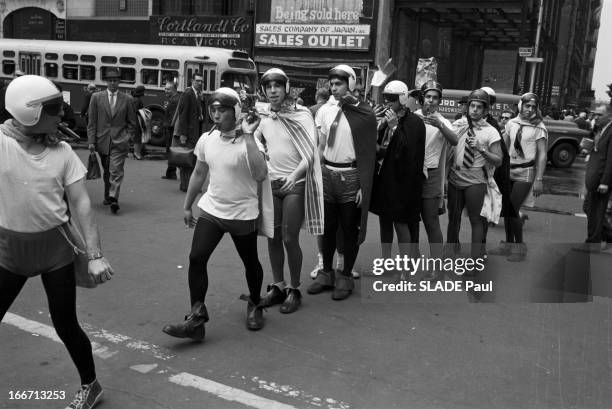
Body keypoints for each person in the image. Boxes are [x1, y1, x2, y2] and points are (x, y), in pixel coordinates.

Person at [0, 75, 114, 409]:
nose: (61, 115)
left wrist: (94, 254)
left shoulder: (63, 151)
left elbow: (80, 203)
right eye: (53, 109)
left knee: (65, 323)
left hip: (56, 250)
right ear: (28, 112)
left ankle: (90, 385)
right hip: (10, 251)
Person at [162, 88, 271, 340]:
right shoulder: (206, 139)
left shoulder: (250, 140)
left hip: (242, 214)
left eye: (222, 110)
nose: (216, 114)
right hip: (212, 210)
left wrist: (250, 136)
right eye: (213, 109)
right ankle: (196, 319)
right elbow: (199, 173)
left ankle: (255, 303)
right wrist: (188, 205)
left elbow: (260, 174)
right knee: (196, 258)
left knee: (250, 262)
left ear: (236, 112)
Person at [255, 68, 324, 314]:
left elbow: (311, 152)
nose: (273, 90)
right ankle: (278, 285)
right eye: (268, 86)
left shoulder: (302, 114)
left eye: (277, 85)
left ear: (286, 87)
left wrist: (293, 177)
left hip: (295, 184)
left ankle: (294, 288)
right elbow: (255, 142)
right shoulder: (262, 115)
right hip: (271, 183)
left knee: (288, 237)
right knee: (272, 237)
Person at [307, 65, 377, 300]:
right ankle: (326, 273)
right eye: (332, 84)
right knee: (327, 229)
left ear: (352, 83)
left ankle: (345, 276)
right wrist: (316, 173)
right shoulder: (325, 111)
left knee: (349, 229)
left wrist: (362, 185)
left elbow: (368, 153)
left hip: (351, 176)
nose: (333, 88)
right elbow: (321, 144)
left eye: (339, 84)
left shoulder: (365, 113)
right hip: (327, 174)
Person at [370, 80, 425, 271]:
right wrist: (381, 127)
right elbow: (377, 147)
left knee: (401, 223)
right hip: (383, 178)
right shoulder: (385, 120)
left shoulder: (415, 122)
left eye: (392, 100)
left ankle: (405, 267)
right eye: (386, 99)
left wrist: (394, 128)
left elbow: (407, 153)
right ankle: (385, 263)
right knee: (384, 221)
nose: (388, 103)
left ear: (402, 98)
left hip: (403, 181)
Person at [489, 93, 547, 261]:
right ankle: (508, 244)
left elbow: (542, 154)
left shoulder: (539, 127)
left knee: (513, 209)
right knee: (507, 210)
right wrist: (495, 168)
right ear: (521, 106)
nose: (530, 109)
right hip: (508, 171)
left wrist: (539, 179)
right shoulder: (512, 123)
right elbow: (503, 147)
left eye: (533, 107)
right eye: (527, 106)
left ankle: (519, 247)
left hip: (526, 172)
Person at [446, 89, 502, 260]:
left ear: (485, 111)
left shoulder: (491, 131)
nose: (475, 110)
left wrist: (481, 148)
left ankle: (475, 259)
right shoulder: (457, 126)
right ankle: (449, 254)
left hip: (476, 180)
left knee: (475, 220)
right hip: (455, 177)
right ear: (467, 107)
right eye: (472, 105)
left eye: (479, 107)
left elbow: (498, 160)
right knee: (453, 219)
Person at [413, 81, 459, 279]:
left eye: (435, 97)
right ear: (422, 98)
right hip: (411, 175)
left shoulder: (443, 121)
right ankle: (413, 261)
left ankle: (437, 268)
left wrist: (440, 125)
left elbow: (455, 140)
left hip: (431, 176)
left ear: (439, 101)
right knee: (410, 221)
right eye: (428, 97)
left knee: (431, 222)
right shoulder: (414, 117)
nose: (430, 101)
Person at [87, 68, 137, 215]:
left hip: (120, 141)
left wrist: (128, 138)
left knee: (116, 170)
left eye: (115, 80)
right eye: (110, 80)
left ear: (119, 82)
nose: (113, 83)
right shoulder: (96, 98)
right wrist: (91, 141)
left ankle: (114, 198)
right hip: (102, 141)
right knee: (107, 171)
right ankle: (108, 195)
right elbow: (92, 122)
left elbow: (132, 123)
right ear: (106, 82)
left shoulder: (127, 99)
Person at [576, 104, 612, 252]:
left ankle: (592, 242)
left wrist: (605, 182)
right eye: (595, 114)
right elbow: (599, 151)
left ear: (609, 116)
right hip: (593, 178)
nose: (595, 117)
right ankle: (607, 234)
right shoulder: (601, 130)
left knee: (595, 211)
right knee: (589, 208)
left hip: (600, 181)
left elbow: (611, 159)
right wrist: (589, 149)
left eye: (599, 115)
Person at [174, 73, 205, 192]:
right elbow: (183, 115)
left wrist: (202, 101)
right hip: (189, 133)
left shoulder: (197, 94)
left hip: (195, 132)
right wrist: (183, 134)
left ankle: (189, 185)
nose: (200, 83)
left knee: (192, 159)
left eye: (201, 81)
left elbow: (199, 113)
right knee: (187, 159)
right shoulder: (188, 94)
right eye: (198, 81)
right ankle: (186, 185)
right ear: (192, 81)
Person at [162, 81, 180, 180]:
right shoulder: (174, 98)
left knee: (171, 150)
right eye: (165, 88)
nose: (165, 91)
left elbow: (173, 118)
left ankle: (171, 173)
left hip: (171, 129)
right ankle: (170, 172)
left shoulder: (174, 100)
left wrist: (168, 127)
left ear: (174, 89)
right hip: (171, 129)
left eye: (168, 89)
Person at [130, 85, 146, 160]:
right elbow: (136, 110)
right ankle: (136, 153)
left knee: (137, 136)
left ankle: (136, 152)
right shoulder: (137, 100)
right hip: (137, 119)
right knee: (137, 137)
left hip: (136, 119)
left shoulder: (135, 98)